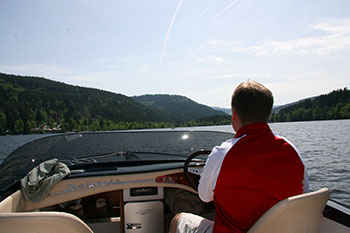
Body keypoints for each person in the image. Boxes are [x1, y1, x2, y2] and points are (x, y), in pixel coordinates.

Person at [169, 80, 309, 233]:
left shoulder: (222, 153)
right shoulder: (292, 150)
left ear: (234, 113)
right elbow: (303, 195)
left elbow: (204, 196)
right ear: (268, 113)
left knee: (178, 219)